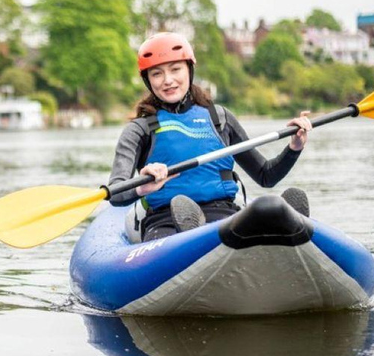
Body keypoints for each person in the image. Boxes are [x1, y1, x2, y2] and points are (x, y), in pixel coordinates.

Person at [108, 32, 312, 241]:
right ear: (148, 80)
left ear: (189, 70)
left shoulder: (220, 118)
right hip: (165, 221)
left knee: (265, 208)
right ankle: (191, 234)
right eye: (157, 74)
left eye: (175, 69)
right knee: (183, 224)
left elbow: (266, 176)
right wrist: (142, 187)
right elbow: (115, 193)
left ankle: (285, 226)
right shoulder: (139, 129)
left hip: (224, 215)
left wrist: (294, 148)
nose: (168, 80)